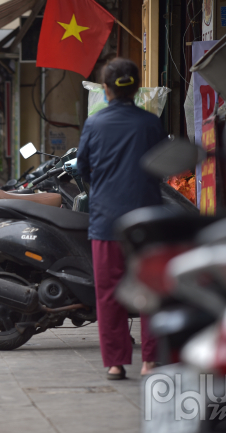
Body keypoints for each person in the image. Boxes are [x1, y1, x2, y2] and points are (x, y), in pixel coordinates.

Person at [76, 58, 164, 380]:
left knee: (109, 293)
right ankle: (151, 361)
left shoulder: (94, 124)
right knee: (150, 289)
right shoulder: (151, 123)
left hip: (106, 221)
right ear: (137, 88)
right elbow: (163, 166)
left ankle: (115, 362)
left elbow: (81, 168)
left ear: (106, 90)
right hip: (147, 222)